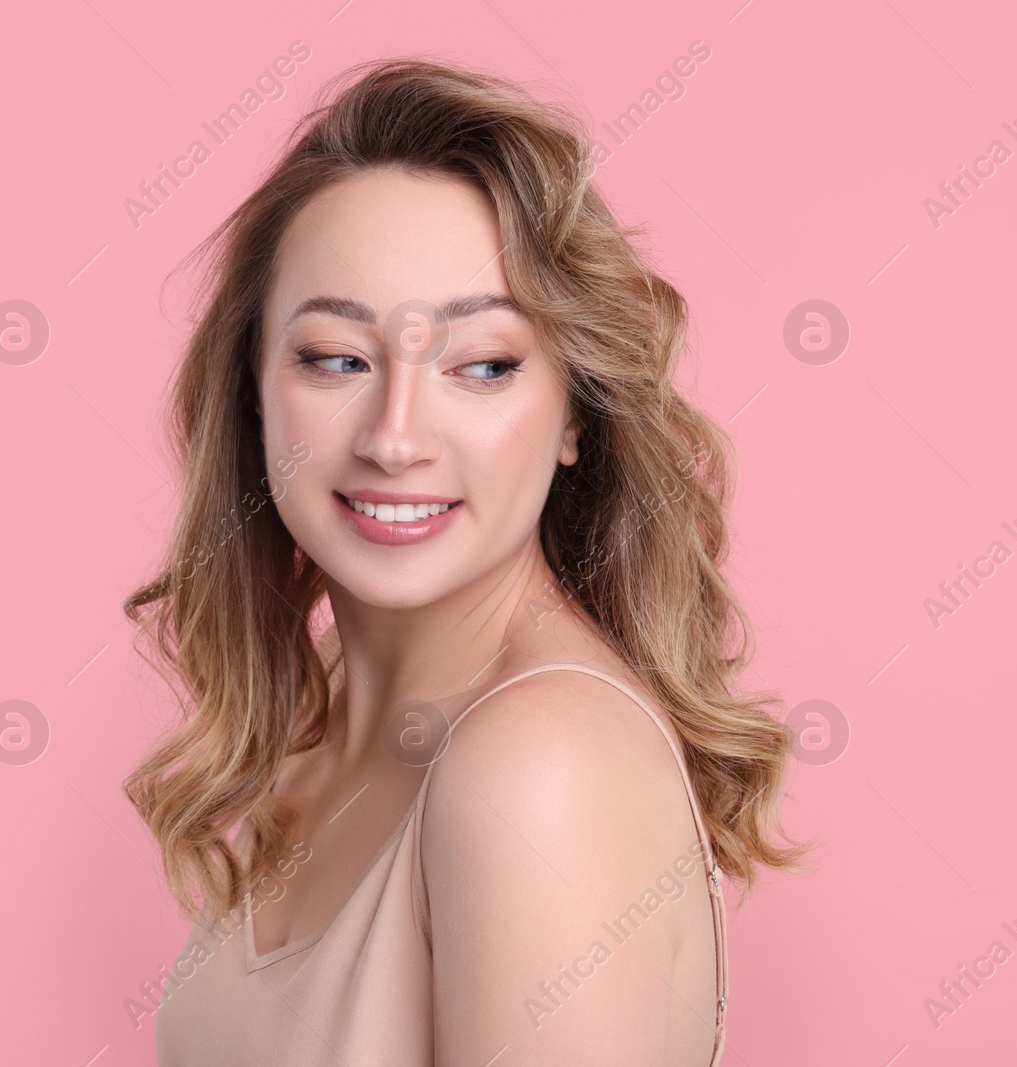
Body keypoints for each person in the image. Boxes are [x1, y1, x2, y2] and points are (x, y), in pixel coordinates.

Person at [122, 56, 806, 1067]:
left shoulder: (534, 762)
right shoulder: (337, 709)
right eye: (336, 359)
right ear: (254, 388)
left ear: (576, 408)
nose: (395, 437)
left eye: (480, 365)